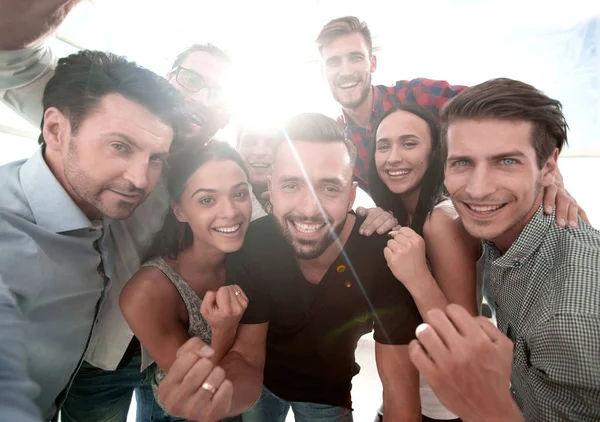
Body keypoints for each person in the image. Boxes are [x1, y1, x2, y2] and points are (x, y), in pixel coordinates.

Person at [0, 1, 266, 420]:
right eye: (191, 79)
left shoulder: (221, 171)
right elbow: (17, 60)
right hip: (98, 350)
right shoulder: (105, 109)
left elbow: (270, 223)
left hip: (181, 342)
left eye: (216, 93)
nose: (139, 179)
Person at [156, 113, 425, 421]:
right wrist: (220, 401)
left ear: (351, 195)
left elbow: (399, 388)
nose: (309, 209)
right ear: (271, 189)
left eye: (330, 188)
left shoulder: (385, 254)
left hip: (329, 392)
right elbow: (247, 355)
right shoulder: (255, 245)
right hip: (263, 385)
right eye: (292, 185)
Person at [0, 48, 188, 421]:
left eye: (155, 159)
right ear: (55, 130)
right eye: (120, 146)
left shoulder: (92, 204)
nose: (139, 179)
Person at [408, 78, 600, 421]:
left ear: (549, 168)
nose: (478, 190)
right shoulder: (503, 235)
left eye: (506, 162)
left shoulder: (570, 317)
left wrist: (486, 406)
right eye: (462, 163)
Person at [315, 16, 586, 230]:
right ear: (324, 71)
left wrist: (551, 180)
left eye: (355, 57)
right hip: (412, 235)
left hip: (470, 217)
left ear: (372, 62)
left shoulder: (415, 96)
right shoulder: (339, 142)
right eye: (334, 62)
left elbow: (514, 108)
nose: (346, 70)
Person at [120, 141, 254, 421]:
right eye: (207, 200)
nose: (230, 212)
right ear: (179, 211)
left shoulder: (251, 255)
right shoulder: (147, 291)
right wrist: (223, 330)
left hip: (237, 397)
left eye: (239, 194)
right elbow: (195, 387)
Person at [368, 103, 481, 421]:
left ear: (435, 153)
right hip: (403, 395)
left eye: (409, 143)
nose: (393, 158)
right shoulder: (402, 216)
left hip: (444, 407)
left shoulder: (440, 221)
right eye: (383, 146)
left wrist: (417, 277)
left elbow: (464, 340)